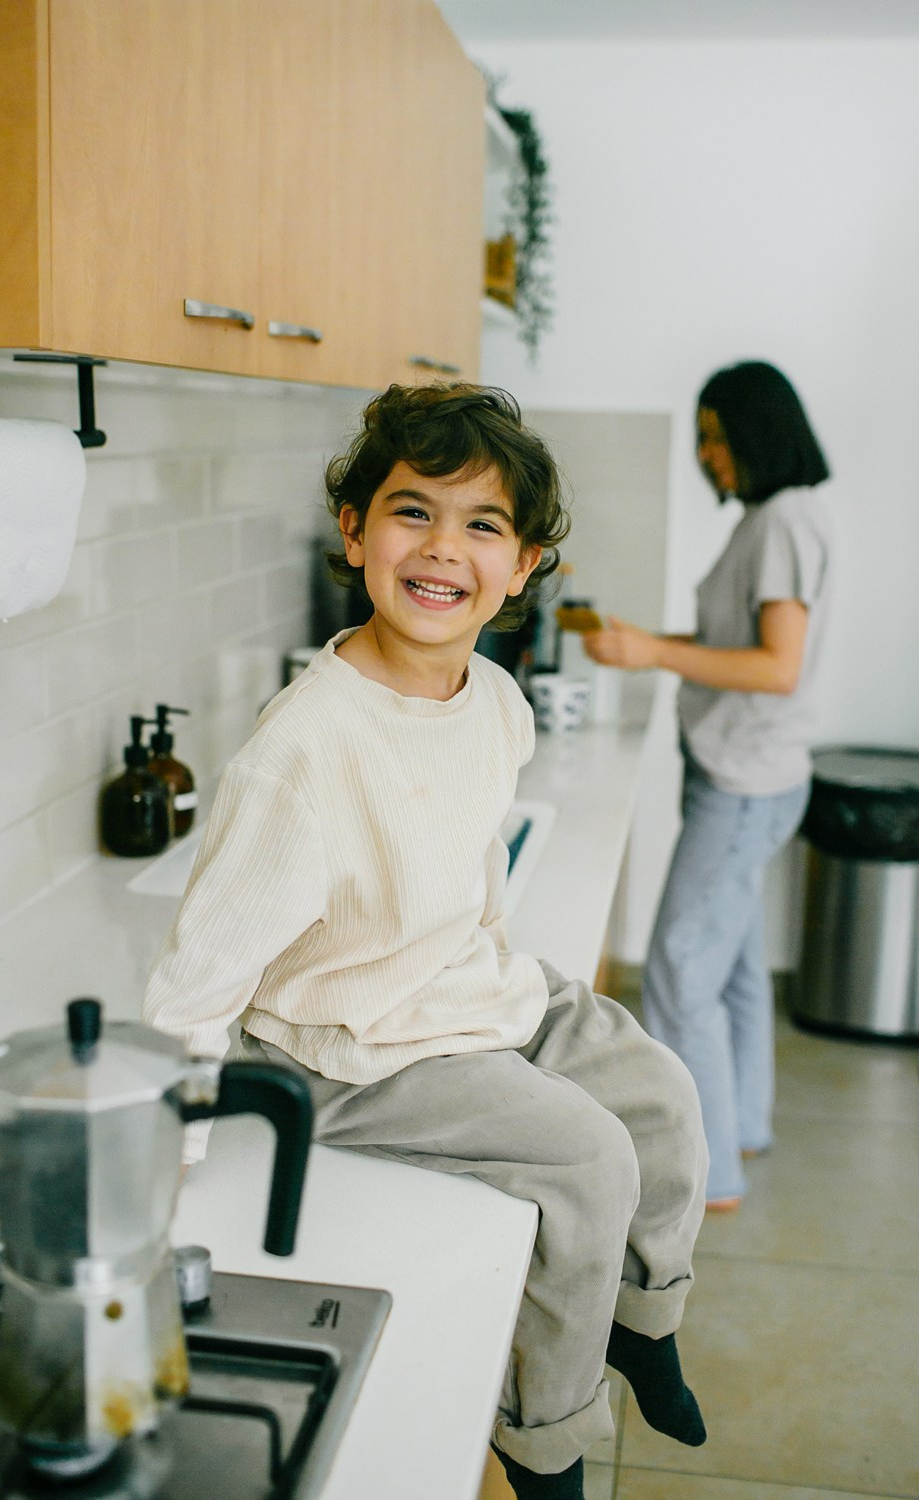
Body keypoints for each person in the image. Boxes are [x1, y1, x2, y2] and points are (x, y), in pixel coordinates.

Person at [143, 382, 709, 1500]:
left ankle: (642, 1323)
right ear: (353, 532)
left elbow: (473, 873)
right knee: (588, 1160)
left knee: (662, 1092)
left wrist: (514, 988)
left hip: (462, 987)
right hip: (353, 1045)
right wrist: (168, 1161)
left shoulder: (495, 699)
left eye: (482, 525)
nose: (443, 548)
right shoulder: (303, 751)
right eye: (413, 512)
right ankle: (545, 1440)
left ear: (526, 566)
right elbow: (201, 970)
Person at [573, 360, 832, 1213]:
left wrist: (653, 654)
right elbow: (737, 639)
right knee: (733, 968)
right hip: (747, 775)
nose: (707, 454)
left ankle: (707, 1175)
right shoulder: (771, 520)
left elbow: (776, 665)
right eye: (703, 436)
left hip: (744, 783)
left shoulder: (782, 524)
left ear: (761, 431)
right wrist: (652, 638)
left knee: (682, 968)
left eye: (718, 436)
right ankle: (742, 1127)